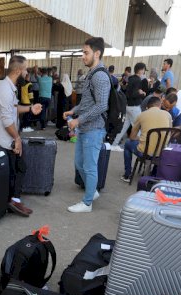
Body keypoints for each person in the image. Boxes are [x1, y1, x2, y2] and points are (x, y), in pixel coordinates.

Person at [0, 54, 42, 217]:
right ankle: (12, 201)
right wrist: (17, 138)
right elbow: (6, 121)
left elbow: (13, 109)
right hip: (2, 140)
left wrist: (30, 108)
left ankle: (13, 200)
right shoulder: (5, 90)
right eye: (26, 70)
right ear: (18, 71)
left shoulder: (10, 87)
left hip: (7, 138)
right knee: (17, 169)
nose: (27, 73)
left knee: (17, 169)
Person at [64, 37, 110, 214]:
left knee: (90, 167)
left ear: (96, 54)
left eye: (86, 52)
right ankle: (93, 191)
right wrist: (73, 111)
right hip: (85, 128)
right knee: (79, 164)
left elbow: (101, 106)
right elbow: (86, 103)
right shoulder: (91, 73)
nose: (83, 56)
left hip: (94, 129)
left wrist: (78, 120)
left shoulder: (100, 76)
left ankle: (87, 202)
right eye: (83, 52)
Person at [121, 97, 172, 183]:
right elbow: (169, 134)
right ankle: (153, 174)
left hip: (145, 153)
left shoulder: (142, 115)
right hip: (162, 153)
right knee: (157, 145)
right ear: (159, 105)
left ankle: (127, 174)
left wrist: (140, 138)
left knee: (127, 143)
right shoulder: (168, 115)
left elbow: (132, 137)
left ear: (147, 107)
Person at [111, 62, 147, 151]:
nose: (144, 72)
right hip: (134, 107)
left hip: (128, 106)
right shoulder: (138, 80)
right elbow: (133, 94)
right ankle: (139, 147)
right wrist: (141, 93)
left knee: (124, 127)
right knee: (139, 127)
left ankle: (114, 144)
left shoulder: (130, 78)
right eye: (144, 70)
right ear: (141, 70)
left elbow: (128, 92)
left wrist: (138, 92)